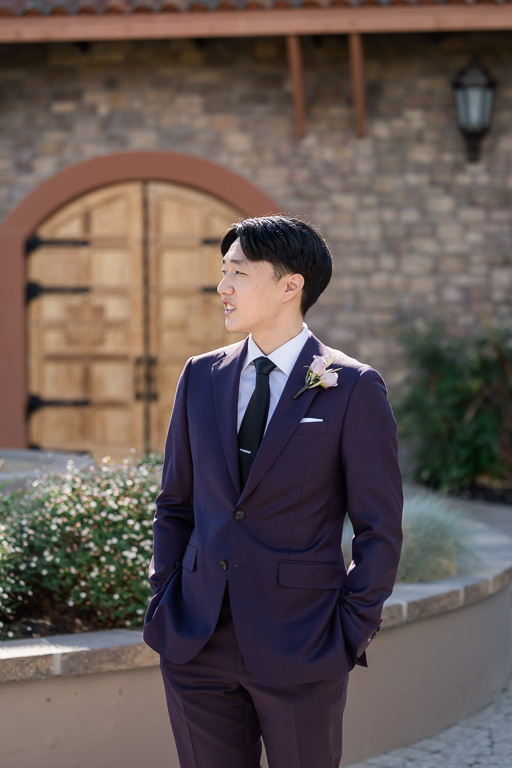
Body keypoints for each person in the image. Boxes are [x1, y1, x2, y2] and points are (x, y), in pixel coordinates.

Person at [143, 215, 403, 768]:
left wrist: (351, 630)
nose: (223, 286)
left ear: (291, 285)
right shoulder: (200, 376)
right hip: (196, 641)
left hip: (302, 644)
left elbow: (379, 528)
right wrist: (165, 596)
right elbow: (175, 504)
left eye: (238, 272)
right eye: (222, 271)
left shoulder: (353, 387)